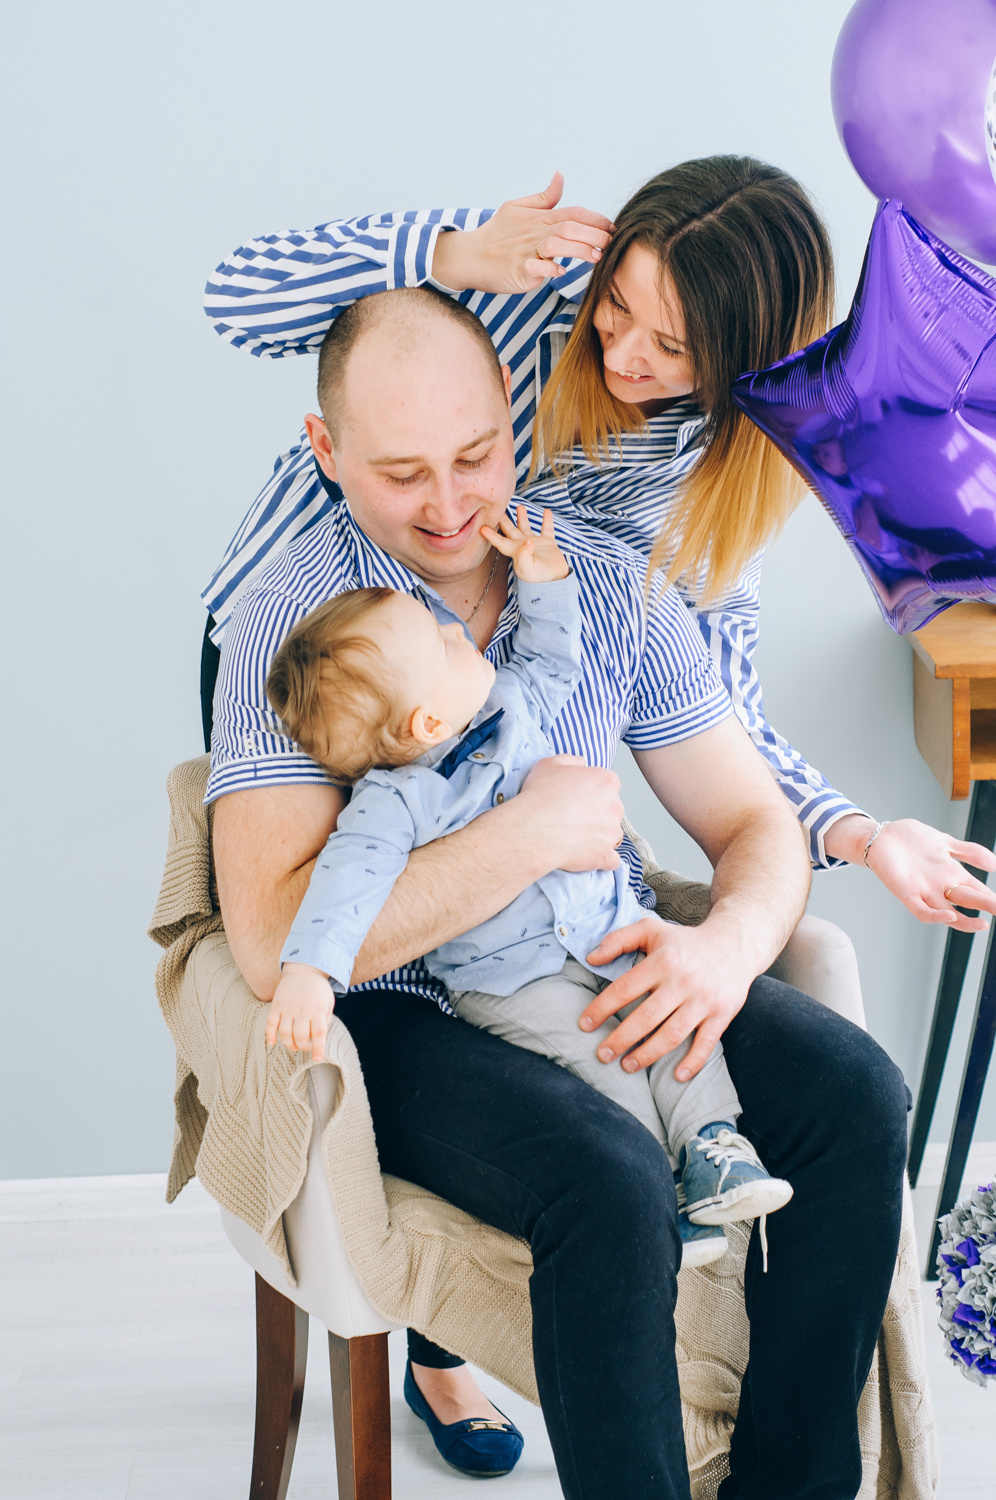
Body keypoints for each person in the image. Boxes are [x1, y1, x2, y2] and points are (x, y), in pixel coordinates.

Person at [208, 282, 910, 1499]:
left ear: (513, 422)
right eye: (401, 473)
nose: (448, 506)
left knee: (856, 1095)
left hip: (595, 953)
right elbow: (274, 944)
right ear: (326, 452)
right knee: (610, 1174)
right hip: (410, 1013)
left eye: (476, 456)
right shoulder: (290, 624)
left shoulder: (590, 578)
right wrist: (521, 839)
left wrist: (726, 949)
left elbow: (753, 820)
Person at [201, 156, 996, 938]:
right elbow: (237, 295)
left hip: (503, 678)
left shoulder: (707, 499)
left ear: (740, 362)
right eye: (617, 304)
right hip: (317, 643)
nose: (620, 355)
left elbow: (723, 716)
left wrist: (860, 833)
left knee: (480, 911)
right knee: (338, 926)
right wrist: (454, 251)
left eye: (673, 347)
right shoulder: (527, 300)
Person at [262, 508, 793, 1276]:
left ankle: (714, 1146)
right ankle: (661, 1197)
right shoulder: (394, 803)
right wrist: (309, 976)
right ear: (425, 719)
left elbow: (551, 661)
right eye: (441, 640)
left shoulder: (508, 706)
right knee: (604, 1058)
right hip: (512, 981)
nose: (458, 630)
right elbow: (344, 889)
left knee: (671, 1026)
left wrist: (545, 579)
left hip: (606, 926)